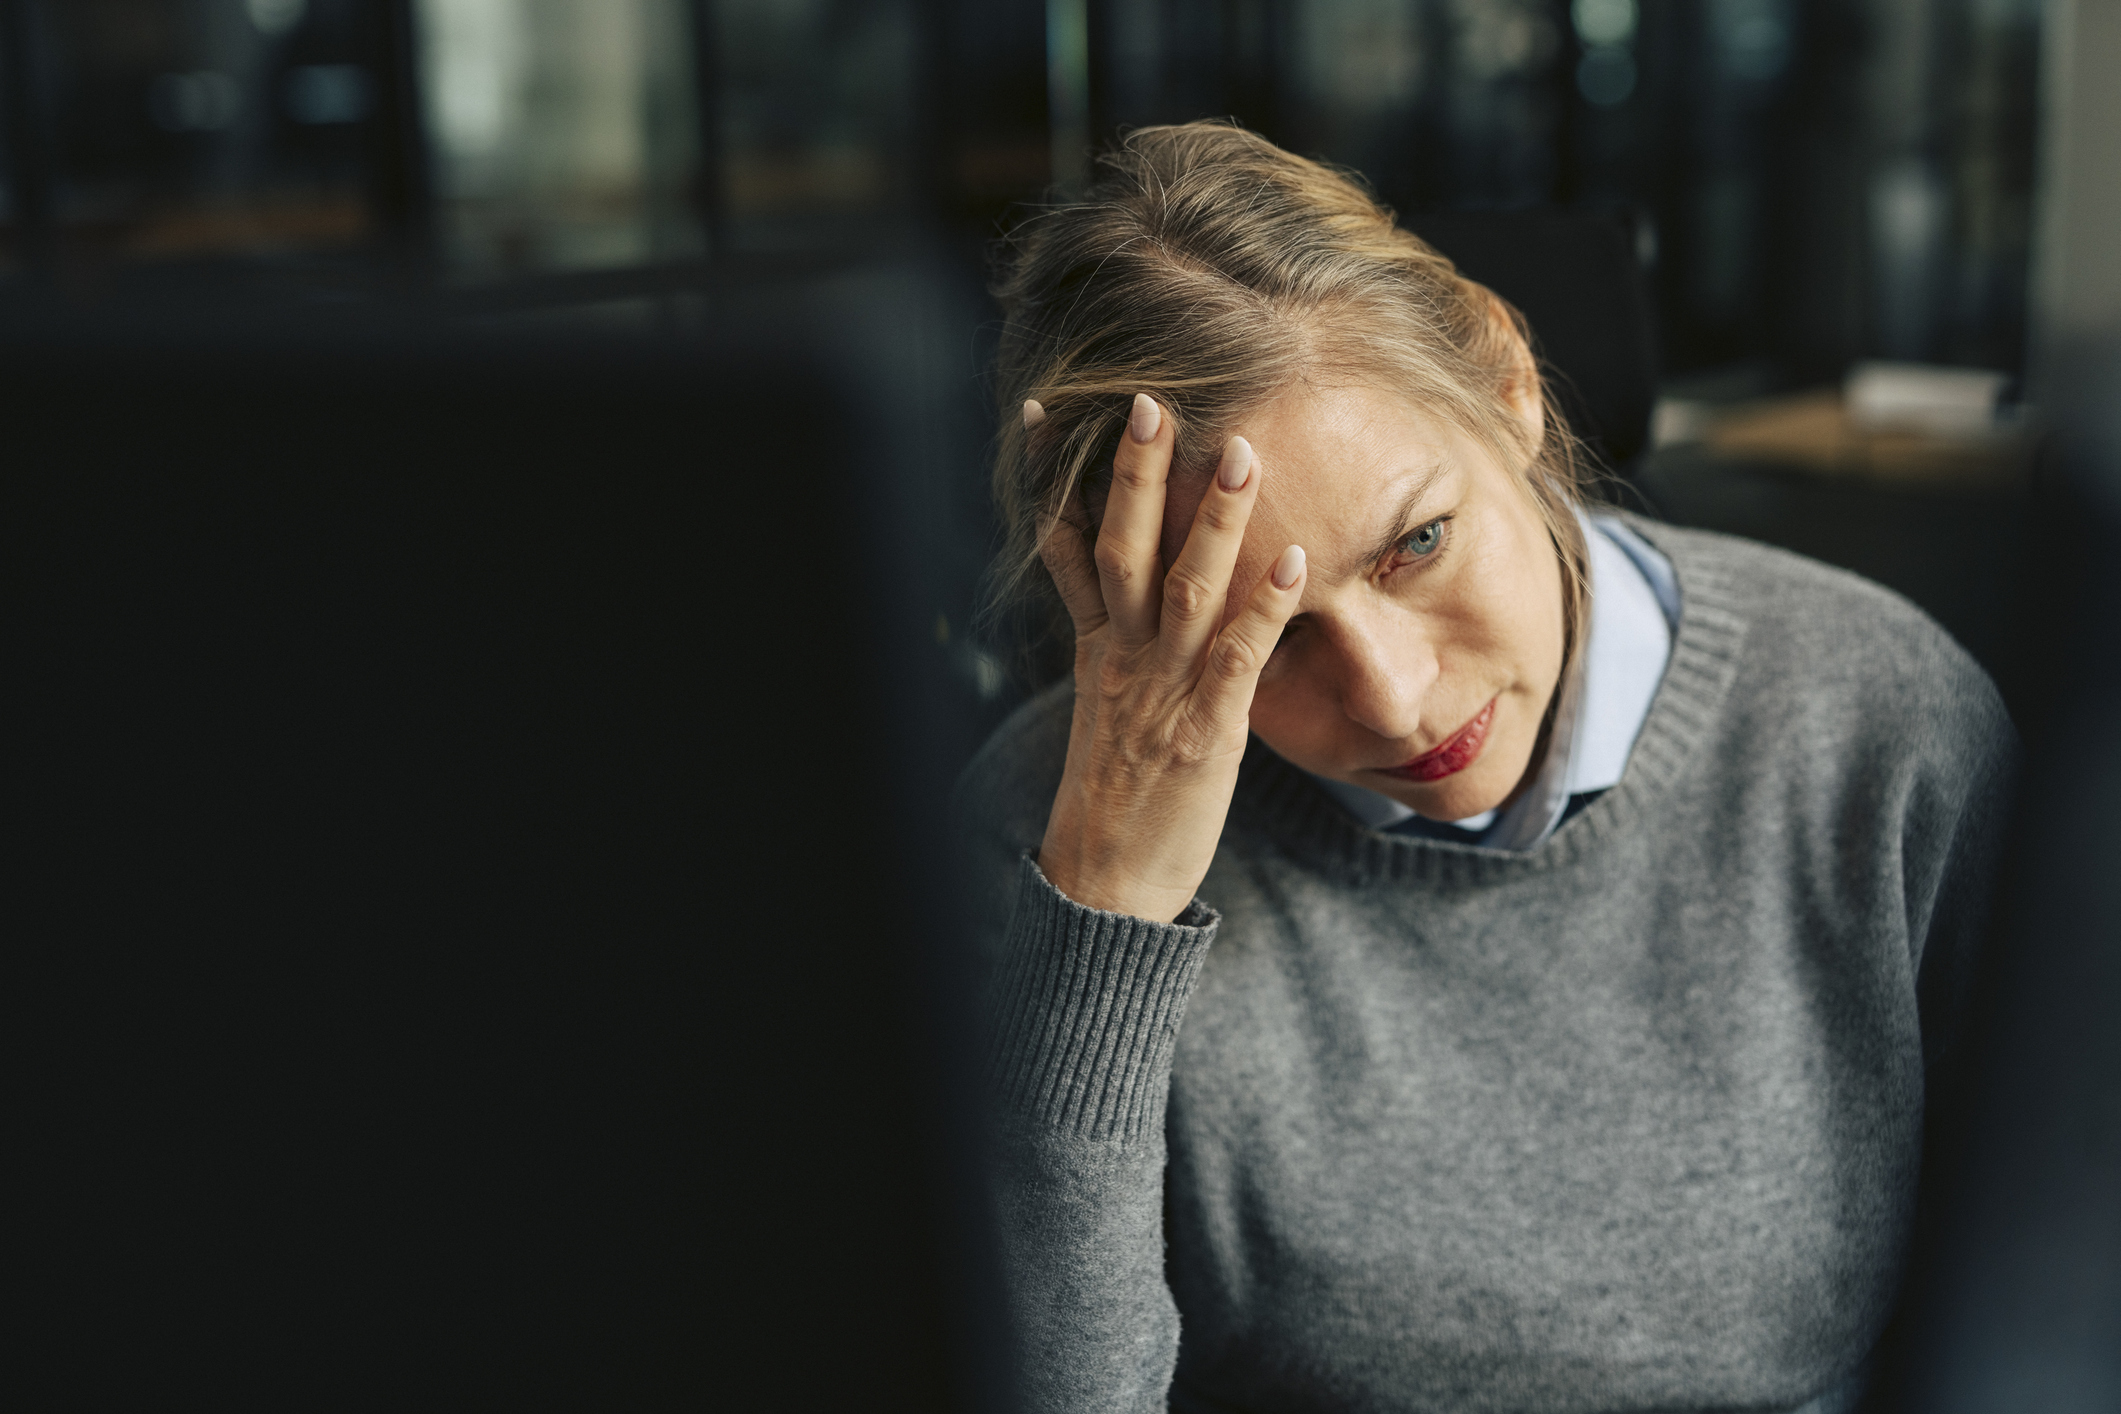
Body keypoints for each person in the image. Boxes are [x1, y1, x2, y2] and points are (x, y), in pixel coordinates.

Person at [952, 122, 2016, 1414]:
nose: (1393, 700)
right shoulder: (1036, 834)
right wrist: (1104, 913)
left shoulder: (1882, 732)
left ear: (1507, 385)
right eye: (1259, 635)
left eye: (1416, 542)